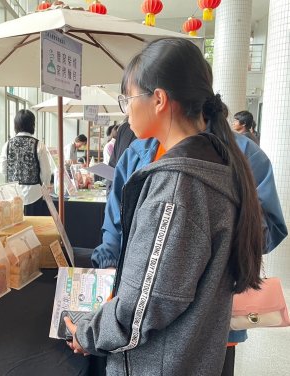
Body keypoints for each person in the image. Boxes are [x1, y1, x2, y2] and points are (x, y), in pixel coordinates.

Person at [64, 38, 266, 375]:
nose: (126, 111)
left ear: (158, 99)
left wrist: (88, 332)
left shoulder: (178, 186)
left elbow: (144, 307)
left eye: (127, 99)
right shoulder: (215, 163)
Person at [0, 109, 51, 216]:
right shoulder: (39, 145)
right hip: (34, 194)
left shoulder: (7, 144)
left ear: (16, 125)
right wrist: (44, 185)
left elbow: (3, 170)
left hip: (13, 194)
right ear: (32, 124)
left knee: (16, 227)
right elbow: (46, 172)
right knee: (34, 226)